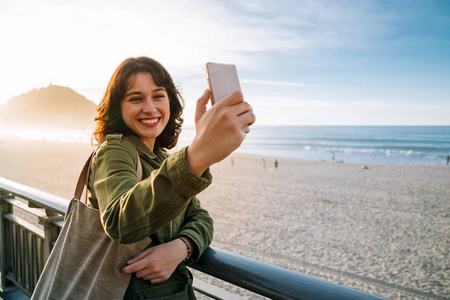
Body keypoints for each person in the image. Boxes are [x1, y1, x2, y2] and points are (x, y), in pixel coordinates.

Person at [88, 57, 255, 299]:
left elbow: (201, 218)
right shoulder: (115, 150)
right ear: (118, 108)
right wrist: (196, 156)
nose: (150, 108)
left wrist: (182, 247)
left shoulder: (164, 159)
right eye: (136, 98)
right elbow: (119, 220)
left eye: (158, 96)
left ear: (170, 102)